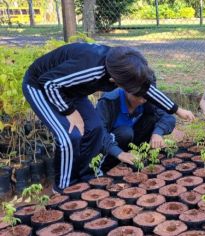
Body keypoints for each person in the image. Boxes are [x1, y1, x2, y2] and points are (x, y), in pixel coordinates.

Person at [22, 42, 195, 192]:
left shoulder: (124, 66)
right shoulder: (93, 69)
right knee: (69, 136)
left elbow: (146, 88)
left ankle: (85, 175)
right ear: (115, 81)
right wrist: (69, 112)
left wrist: (177, 110)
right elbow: (49, 83)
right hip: (40, 86)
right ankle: (62, 187)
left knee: (95, 128)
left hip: (69, 89)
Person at [96, 87, 176, 171]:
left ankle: (138, 157)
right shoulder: (109, 101)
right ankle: (107, 166)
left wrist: (158, 133)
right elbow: (100, 132)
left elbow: (168, 116)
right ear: (127, 90)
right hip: (111, 144)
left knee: (151, 119)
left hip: (132, 137)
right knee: (125, 132)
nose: (142, 101)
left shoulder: (147, 98)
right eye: (138, 97)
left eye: (146, 97)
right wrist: (119, 153)